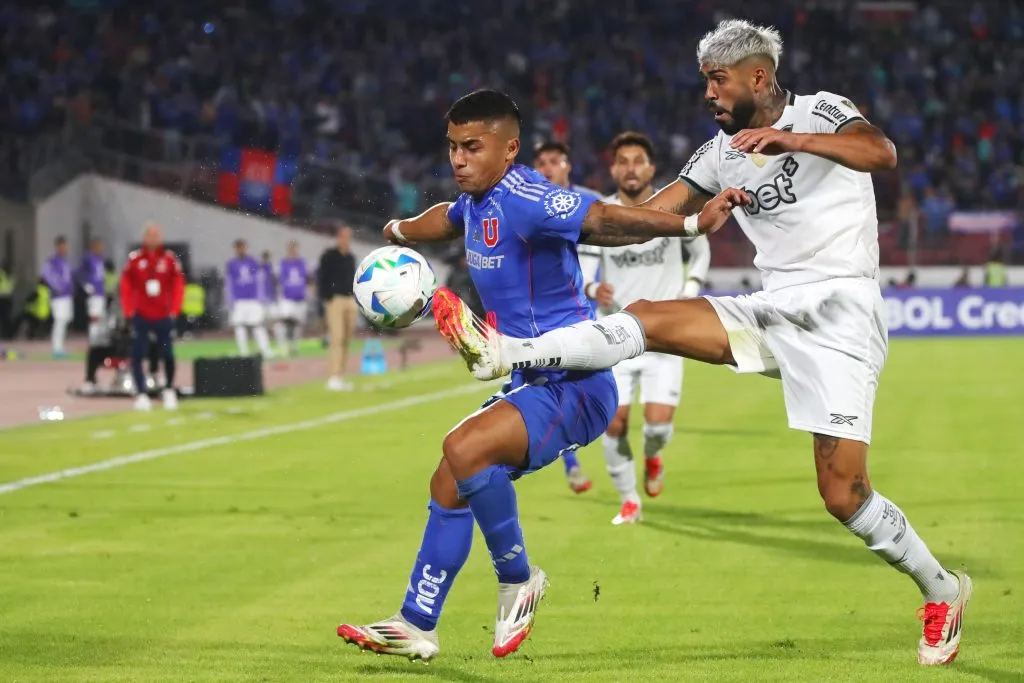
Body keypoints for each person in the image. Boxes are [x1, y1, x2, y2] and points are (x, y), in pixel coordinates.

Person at [435, 20, 970, 667]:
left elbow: (879, 152)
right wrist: (556, 227)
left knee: (843, 493)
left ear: (759, 77)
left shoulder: (820, 111)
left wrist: (792, 138)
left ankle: (942, 586)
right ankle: (509, 354)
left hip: (842, 313)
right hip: (772, 307)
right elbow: (647, 217)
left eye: (719, 80)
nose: (710, 94)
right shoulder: (719, 153)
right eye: (705, 82)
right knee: (651, 315)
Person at [336, 89, 744, 661]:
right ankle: (415, 622)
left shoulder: (526, 195)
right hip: (531, 381)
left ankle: (519, 578)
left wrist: (692, 223)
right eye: (452, 147)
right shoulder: (475, 203)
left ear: (509, 150)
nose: (458, 159)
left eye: (472, 147)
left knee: (464, 447)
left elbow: (602, 220)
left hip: (575, 381)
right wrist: (400, 231)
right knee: (448, 481)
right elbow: (445, 220)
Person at [578, 131, 712, 525]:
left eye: (638, 160)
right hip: (616, 332)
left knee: (656, 425)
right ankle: (629, 500)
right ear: (613, 168)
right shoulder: (601, 215)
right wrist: (592, 287)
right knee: (614, 422)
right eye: (623, 161)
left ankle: (653, 456)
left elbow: (700, 250)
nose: (630, 168)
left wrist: (690, 290)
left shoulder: (669, 207)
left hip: (665, 336)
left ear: (651, 168)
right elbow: (584, 270)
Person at [530, 140, 604, 492]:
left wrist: (597, 289)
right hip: (545, 315)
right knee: (553, 388)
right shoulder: (527, 207)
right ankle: (571, 463)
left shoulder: (591, 202)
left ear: (567, 165)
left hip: (592, 311)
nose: (547, 168)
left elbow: (607, 253)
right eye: (540, 162)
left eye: (554, 161)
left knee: (589, 393)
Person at [120, 223, 184, 411]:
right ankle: (141, 393)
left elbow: (178, 285)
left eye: (156, 235)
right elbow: (125, 286)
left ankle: (169, 390)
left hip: (163, 315)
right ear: (144, 238)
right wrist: (129, 310)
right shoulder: (135, 259)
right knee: (138, 354)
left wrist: (175, 309)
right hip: (141, 314)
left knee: (168, 354)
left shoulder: (169, 259)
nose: (153, 238)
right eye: (149, 235)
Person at [318, 225, 357, 391]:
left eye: (349, 236)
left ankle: (340, 375)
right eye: (343, 236)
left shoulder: (351, 258)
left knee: (347, 338)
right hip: (335, 300)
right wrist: (327, 297)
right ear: (338, 237)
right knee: (337, 337)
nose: (346, 240)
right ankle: (333, 376)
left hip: (350, 299)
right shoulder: (329, 256)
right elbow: (322, 277)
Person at [226, 239, 274, 358]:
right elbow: (229, 283)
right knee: (239, 326)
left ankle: (265, 350)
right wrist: (230, 300)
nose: (241, 250)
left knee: (257, 326)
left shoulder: (253, 262)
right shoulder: (231, 264)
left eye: (243, 247)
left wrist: (267, 261)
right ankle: (243, 352)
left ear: (246, 248)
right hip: (239, 300)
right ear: (235, 249)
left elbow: (265, 273)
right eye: (239, 247)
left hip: (253, 299)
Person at [275, 241, 308, 357]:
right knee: (281, 323)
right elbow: (280, 280)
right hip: (287, 298)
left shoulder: (302, 263)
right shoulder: (283, 263)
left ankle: (294, 346)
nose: (293, 251)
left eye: (295, 249)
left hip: (300, 298)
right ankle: (282, 347)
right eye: (291, 249)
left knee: (297, 325)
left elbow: (306, 279)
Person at [42, 236, 73, 357]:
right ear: (58, 247)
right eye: (63, 246)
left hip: (67, 295)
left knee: (65, 320)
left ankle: (60, 346)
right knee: (59, 320)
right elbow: (47, 275)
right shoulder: (52, 261)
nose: (65, 248)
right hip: (58, 296)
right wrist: (57, 287)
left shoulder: (65, 261)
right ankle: (56, 347)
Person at [77, 238, 108, 353]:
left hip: (101, 292)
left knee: (101, 318)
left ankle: (98, 342)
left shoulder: (101, 259)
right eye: (99, 246)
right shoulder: (88, 258)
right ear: (93, 246)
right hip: (93, 293)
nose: (101, 248)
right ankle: (93, 342)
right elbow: (79, 273)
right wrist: (86, 286)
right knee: (94, 317)